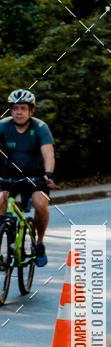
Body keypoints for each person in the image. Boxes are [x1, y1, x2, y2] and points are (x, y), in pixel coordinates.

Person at [0, 89, 55, 266]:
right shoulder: (3, 125)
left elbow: (48, 154)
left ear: (31, 110)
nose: (19, 112)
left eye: (23, 108)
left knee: (40, 204)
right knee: (0, 200)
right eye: (15, 108)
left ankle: (39, 243)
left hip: (36, 177)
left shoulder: (40, 127)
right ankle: (5, 236)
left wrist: (48, 174)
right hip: (8, 176)